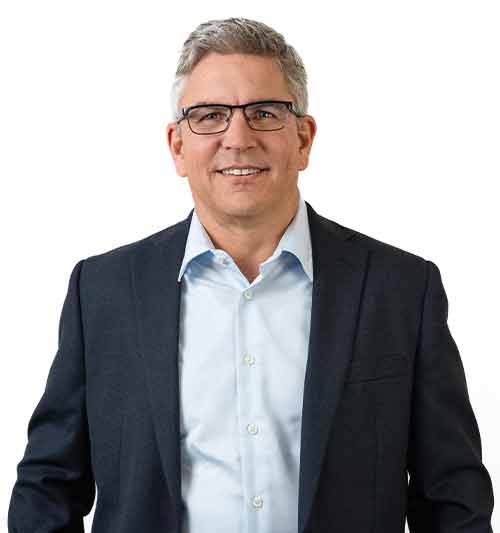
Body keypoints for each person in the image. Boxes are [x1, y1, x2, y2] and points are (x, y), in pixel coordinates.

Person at [8, 16, 494, 533]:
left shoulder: (400, 290)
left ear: (303, 139)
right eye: (210, 115)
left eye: (264, 113)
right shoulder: (102, 291)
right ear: (177, 146)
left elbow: (453, 500)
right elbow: (47, 488)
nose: (237, 138)